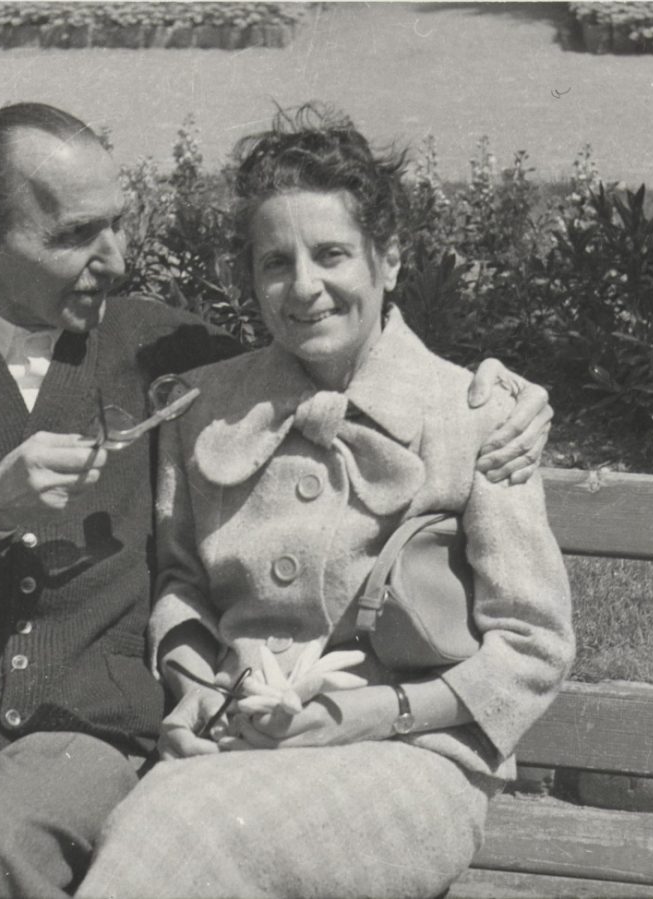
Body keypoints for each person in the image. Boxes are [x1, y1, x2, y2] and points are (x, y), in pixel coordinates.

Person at [0, 101, 554, 899]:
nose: (116, 259)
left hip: (71, 745)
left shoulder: (162, 353)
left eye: (117, 224)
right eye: (75, 236)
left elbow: (326, 346)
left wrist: (507, 398)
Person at [76, 107, 576, 899]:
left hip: (414, 760)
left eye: (332, 253)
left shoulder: (480, 413)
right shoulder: (203, 408)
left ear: (390, 259)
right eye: (276, 262)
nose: (304, 286)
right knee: (160, 823)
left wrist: (372, 713)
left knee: (177, 828)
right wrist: (195, 689)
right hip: (236, 745)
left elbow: (534, 645)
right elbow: (180, 583)